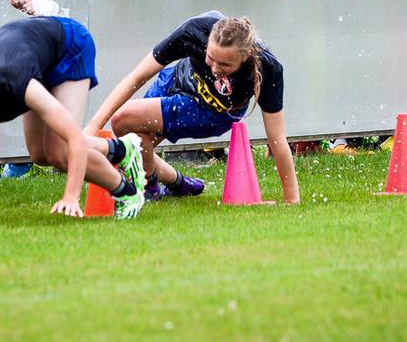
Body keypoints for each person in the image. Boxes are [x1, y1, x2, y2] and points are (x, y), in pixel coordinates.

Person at [0, 16, 146, 221]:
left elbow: (75, 138)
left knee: (60, 153)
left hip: (70, 48)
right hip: (34, 54)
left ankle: (127, 193)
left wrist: (71, 196)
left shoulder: (19, 83)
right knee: (39, 154)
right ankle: (122, 149)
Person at [84, 11, 300, 204]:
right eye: (210, 58)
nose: (215, 69)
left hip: (211, 111)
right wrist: (93, 127)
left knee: (123, 120)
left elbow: (276, 139)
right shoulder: (194, 31)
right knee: (134, 142)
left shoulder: (267, 68)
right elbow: (137, 77)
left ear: (244, 57)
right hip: (177, 78)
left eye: (225, 65)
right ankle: (178, 184)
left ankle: (150, 185)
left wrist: (291, 200)